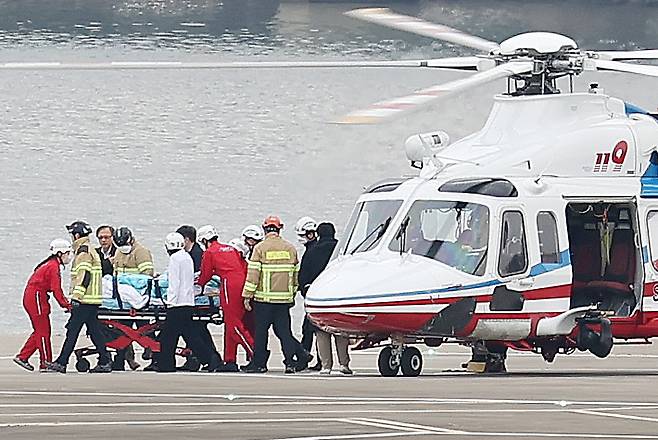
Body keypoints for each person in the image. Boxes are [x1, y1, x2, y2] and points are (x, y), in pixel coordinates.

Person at [241, 216, 312, 374]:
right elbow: (295, 277)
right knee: (285, 332)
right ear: (279, 229)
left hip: (263, 300)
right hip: (283, 300)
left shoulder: (260, 249)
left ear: (265, 229)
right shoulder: (290, 248)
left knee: (261, 332)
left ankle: (259, 364)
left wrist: (247, 296)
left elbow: (253, 276)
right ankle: (290, 363)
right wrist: (292, 295)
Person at [45, 221, 111, 373]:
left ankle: (62, 362)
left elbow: (84, 275)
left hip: (85, 300)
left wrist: (76, 297)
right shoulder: (90, 249)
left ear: (76, 235)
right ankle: (105, 360)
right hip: (92, 300)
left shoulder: (83, 251)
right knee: (95, 331)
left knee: (72, 331)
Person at [156, 232, 221, 373]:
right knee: (191, 335)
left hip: (177, 304)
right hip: (188, 302)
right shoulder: (187, 257)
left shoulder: (174, 259)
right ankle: (210, 359)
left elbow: (174, 283)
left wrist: (169, 302)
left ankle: (166, 365)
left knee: (168, 336)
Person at [197, 225, 254, 372]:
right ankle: (230, 360)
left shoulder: (210, 252)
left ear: (204, 240)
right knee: (230, 324)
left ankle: (255, 353)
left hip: (229, 285)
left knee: (234, 325)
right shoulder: (229, 248)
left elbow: (205, 275)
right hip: (241, 282)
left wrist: (197, 286)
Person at [300, 223, 352, 375]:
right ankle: (344, 364)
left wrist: (307, 292)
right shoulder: (342, 250)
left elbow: (303, 276)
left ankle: (326, 366)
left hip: (319, 296)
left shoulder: (312, 251)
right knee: (341, 332)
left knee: (321, 332)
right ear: (334, 233)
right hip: (340, 296)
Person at [14, 239, 73, 372]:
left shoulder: (49, 264)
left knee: (40, 330)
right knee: (44, 331)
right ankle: (45, 362)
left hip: (34, 298)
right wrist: (67, 305)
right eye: (67, 253)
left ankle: (23, 356)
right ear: (60, 253)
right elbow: (57, 290)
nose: (69, 256)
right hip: (36, 299)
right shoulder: (53, 267)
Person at [176, 224, 221, 370]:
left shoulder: (196, 255)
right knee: (198, 329)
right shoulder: (194, 253)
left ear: (187, 239)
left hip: (198, 298)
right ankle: (210, 358)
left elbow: (198, 277)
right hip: (196, 296)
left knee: (194, 328)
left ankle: (205, 358)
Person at [295, 216, 322, 370]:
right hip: (314, 295)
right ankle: (316, 360)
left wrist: (303, 287)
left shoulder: (312, 251)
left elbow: (305, 273)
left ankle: (305, 359)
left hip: (312, 296)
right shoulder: (314, 249)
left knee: (309, 329)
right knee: (311, 330)